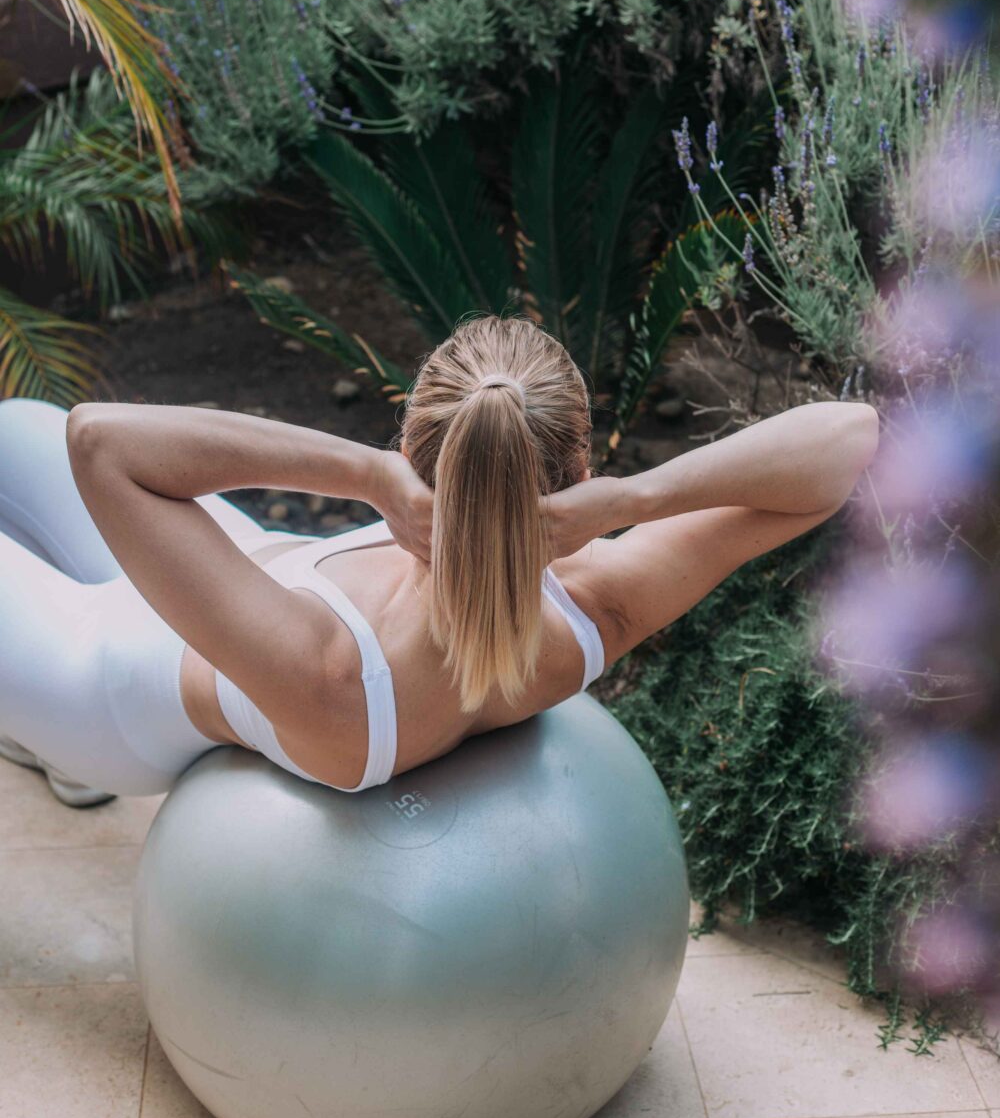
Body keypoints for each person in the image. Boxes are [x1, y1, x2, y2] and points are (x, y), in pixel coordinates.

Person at [0, 313, 879, 808]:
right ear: (576, 470)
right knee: (14, 434)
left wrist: (363, 473)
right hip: (238, 571)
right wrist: (633, 500)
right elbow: (852, 438)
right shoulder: (592, 606)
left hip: (104, 682)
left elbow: (104, 444)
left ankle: (61, 752)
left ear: (413, 443)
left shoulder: (336, 673)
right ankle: (58, 767)